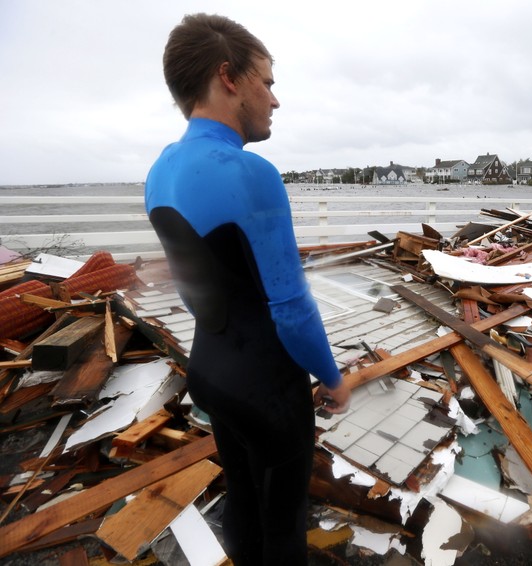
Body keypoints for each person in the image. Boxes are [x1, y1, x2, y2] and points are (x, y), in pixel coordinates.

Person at [145, 13, 350, 565]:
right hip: (267, 389)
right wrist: (332, 376)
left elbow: (192, 290)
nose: (275, 100)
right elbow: (291, 310)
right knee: (283, 527)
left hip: (209, 370)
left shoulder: (160, 170)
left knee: (241, 498)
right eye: (269, 82)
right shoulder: (249, 172)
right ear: (229, 77)